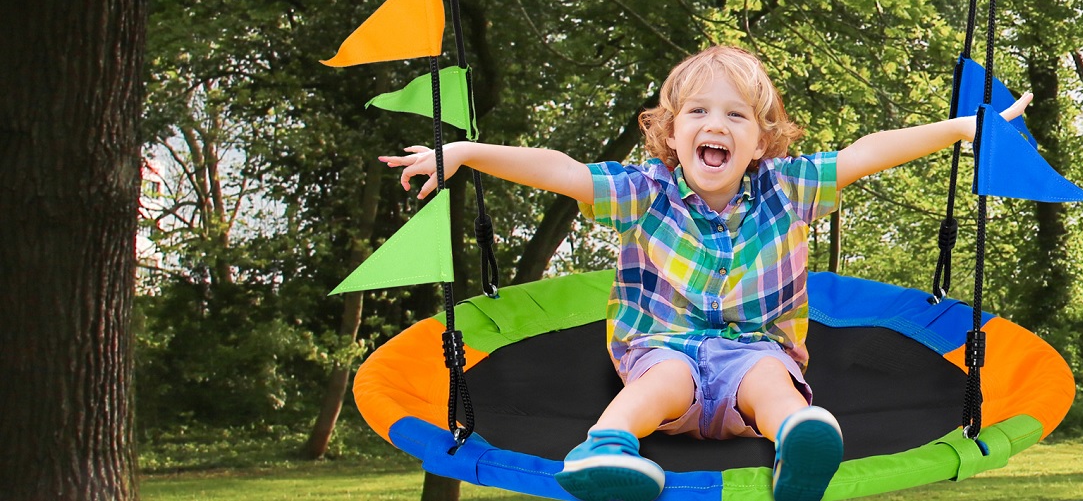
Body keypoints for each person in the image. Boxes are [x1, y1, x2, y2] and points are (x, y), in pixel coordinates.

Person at [382, 46, 1032, 501]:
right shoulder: (645, 190)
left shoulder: (788, 186)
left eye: (734, 115)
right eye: (696, 112)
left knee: (770, 381)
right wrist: (465, 151)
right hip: (661, 347)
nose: (713, 124)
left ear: (762, 140)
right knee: (664, 376)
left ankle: (798, 439)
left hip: (754, 349)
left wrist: (957, 128)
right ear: (671, 133)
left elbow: (868, 153)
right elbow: (561, 170)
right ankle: (605, 446)